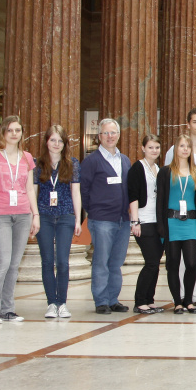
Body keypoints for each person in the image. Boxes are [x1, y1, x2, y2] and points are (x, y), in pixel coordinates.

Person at [0, 115, 39, 324]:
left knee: (14, 264)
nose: (14, 134)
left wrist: (35, 215)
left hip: (23, 214)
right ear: (3, 132)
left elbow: (29, 188)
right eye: (10, 130)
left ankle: (8, 309)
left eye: (18, 130)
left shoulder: (27, 157)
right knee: (2, 262)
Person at [165, 107, 196, 311]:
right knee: (179, 257)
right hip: (181, 214)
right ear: (188, 124)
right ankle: (182, 296)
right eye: (195, 122)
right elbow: (168, 180)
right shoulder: (175, 149)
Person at [81, 118, 132, 315]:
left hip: (122, 220)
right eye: (105, 133)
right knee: (101, 261)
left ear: (118, 135)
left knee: (116, 262)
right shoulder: (91, 162)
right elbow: (84, 191)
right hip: (102, 219)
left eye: (113, 133)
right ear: (99, 137)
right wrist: (94, 211)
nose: (109, 137)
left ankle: (113, 299)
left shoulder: (125, 160)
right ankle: (101, 300)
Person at [35, 125, 81, 319]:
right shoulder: (38, 164)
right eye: (53, 140)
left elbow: (75, 192)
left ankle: (62, 302)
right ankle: (51, 303)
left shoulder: (72, 163)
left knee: (62, 261)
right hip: (44, 215)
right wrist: (34, 216)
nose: (56, 144)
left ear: (65, 144)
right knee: (47, 261)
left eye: (60, 140)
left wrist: (78, 219)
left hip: (65, 215)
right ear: (47, 141)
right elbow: (34, 191)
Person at [157, 134, 196, 315]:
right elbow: (160, 201)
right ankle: (177, 301)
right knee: (173, 264)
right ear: (175, 149)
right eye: (182, 146)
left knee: (191, 264)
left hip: (191, 224)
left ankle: (188, 300)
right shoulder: (165, 172)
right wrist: (161, 227)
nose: (185, 149)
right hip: (172, 223)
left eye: (188, 146)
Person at [127, 134, 165, 315]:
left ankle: (149, 300)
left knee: (155, 262)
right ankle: (140, 301)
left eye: (157, 147)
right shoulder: (137, 167)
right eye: (150, 147)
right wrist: (135, 221)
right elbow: (133, 195)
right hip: (143, 220)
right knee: (151, 262)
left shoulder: (157, 168)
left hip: (157, 221)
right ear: (143, 148)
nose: (154, 151)